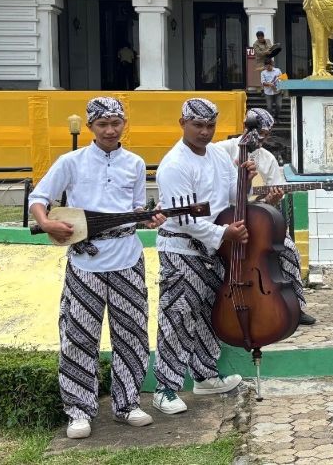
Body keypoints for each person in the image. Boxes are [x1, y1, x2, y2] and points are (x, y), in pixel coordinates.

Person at [28, 96, 163, 439]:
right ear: (89, 127)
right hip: (85, 259)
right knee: (78, 335)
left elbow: (134, 208)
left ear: (124, 125)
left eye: (116, 123)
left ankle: (128, 404)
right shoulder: (70, 162)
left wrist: (150, 219)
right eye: (102, 124)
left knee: (131, 335)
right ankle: (78, 411)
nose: (109, 130)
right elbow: (38, 198)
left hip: (127, 258)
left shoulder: (134, 163)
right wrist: (47, 224)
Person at [151, 98, 253, 415]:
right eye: (198, 125)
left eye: (210, 126)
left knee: (210, 311)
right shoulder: (174, 165)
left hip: (211, 251)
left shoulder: (218, 158)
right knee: (177, 314)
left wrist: (245, 181)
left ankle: (205, 375)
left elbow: (228, 199)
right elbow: (183, 219)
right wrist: (225, 235)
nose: (205, 132)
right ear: (182, 123)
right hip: (180, 248)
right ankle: (164, 388)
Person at [211, 107, 316, 325]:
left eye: (266, 135)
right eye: (259, 133)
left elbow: (270, 195)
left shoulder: (267, 159)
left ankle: (294, 306)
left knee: (289, 251)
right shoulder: (221, 150)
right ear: (245, 127)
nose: (261, 138)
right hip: (224, 220)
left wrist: (271, 200)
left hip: (255, 221)